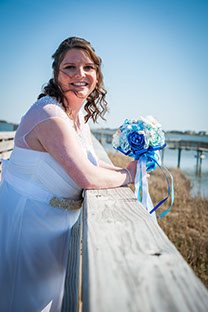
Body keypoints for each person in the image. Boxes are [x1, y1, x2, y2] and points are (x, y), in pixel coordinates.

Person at [0, 37, 138, 312]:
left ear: (97, 76)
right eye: (70, 67)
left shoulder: (77, 115)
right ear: (56, 74)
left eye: (88, 67)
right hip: (28, 222)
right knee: (22, 300)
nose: (80, 74)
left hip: (57, 225)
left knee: (49, 300)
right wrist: (130, 176)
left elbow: (94, 162)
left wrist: (132, 167)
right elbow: (86, 176)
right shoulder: (49, 114)